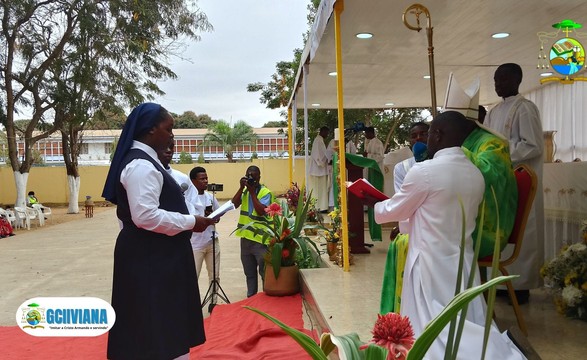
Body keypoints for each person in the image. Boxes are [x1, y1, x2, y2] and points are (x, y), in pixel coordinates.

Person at [366, 111, 525, 359]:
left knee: (430, 331)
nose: (425, 139)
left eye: (428, 133)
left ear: (437, 135)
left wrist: (371, 202)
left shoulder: (425, 172)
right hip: (463, 263)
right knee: (466, 319)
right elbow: (428, 214)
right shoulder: (475, 173)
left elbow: (393, 210)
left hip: (428, 264)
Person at [102, 103, 216, 360]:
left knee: (160, 319)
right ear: (151, 130)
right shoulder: (141, 166)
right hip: (151, 259)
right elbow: (145, 216)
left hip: (156, 255)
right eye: (169, 129)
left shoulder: (147, 163)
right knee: (156, 319)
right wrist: (190, 221)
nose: (172, 136)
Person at [485, 63, 545, 304]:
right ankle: (500, 284)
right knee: (502, 227)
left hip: (520, 179)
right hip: (500, 181)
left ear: (516, 80)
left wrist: (500, 153)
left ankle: (521, 286)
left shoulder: (525, 108)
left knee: (523, 229)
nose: (497, 84)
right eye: (495, 80)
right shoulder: (493, 111)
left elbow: (533, 145)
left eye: (502, 79)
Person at [231, 165, 274, 297]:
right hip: (246, 239)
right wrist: (241, 188)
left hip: (261, 240)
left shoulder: (265, 192)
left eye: (254, 177)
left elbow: (261, 212)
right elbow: (234, 204)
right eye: (249, 176)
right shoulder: (244, 192)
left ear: (259, 177)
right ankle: (252, 298)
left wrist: (252, 193)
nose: (251, 179)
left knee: (263, 272)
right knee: (249, 273)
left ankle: (266, 299)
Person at [189, 166, 221, 286]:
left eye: (206, 178)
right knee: (193, 276)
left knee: (215, 276)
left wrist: (215, 217)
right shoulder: (188, 199)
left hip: (212, 241)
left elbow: (218, 214)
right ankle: (192, 304)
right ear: (193, 181)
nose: (206, 181)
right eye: (202, 179)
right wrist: (206, 218)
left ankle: (213, 302)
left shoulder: (210, 197)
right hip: (195, 244)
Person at [308, 126, 330, 212]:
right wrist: (326, 159)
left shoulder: (319, 140)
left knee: (321, 189)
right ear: (322, 131)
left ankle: (322, 207)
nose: (327, 135)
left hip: (319, 170)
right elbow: (319, 156)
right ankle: (318, 207)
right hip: (317, 170)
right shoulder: (318, 141)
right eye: (327, 133)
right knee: (318, 189)